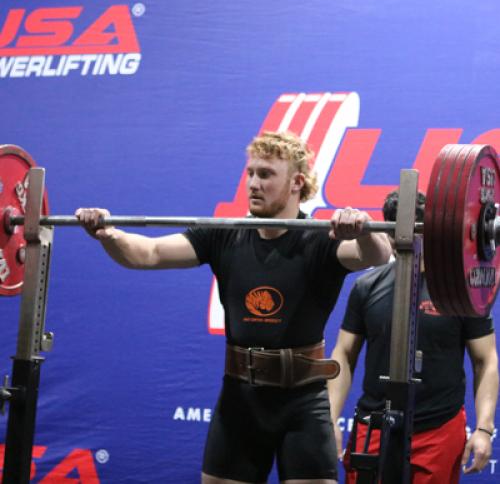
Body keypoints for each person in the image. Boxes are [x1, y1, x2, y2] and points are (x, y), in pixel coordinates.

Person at [76, 131, 392, 484]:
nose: (254, 183)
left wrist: (362, 229)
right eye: (251, 173)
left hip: (303, 401)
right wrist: (108, 233)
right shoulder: (224, 234)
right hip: (240, 400)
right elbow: (147, 254)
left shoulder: (321, 238)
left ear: (296, 183)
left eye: (266, 174)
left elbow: (378, 254)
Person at [328, 190, 499, 484]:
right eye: (396, 229)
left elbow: (486, 361)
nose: (408, 238)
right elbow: (344, 353)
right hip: (374, 426)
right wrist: (330, 420)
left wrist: (483, 428)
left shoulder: (459, 291)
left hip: (438, 429)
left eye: (417, 228)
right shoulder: (366, 287)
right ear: (388, 233)